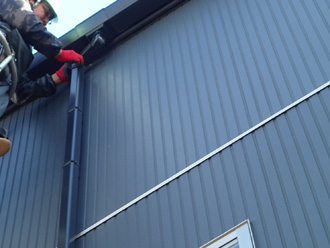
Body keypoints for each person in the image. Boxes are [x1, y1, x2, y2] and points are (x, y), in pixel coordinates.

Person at [0, 0, 84, 156]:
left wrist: (57, 78)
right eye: (47, 11)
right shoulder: (14, 4)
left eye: (49, 19)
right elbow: (27, 21)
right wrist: (59, 52)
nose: (46, 20)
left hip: (3, 69)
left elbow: (19, 93)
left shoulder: (21, 48)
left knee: (5, 89)